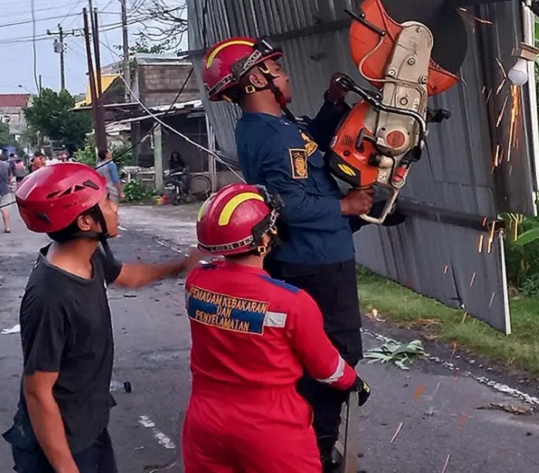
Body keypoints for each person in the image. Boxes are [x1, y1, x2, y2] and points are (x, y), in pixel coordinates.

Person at [202, 37, 374, 470]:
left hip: (321, 252)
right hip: (315, 262)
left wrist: (333, 105)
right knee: (332, 354)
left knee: (317, 354)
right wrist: (345, 206)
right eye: (276, 69)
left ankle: (310, 443)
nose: (285, 74)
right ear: (257, 79)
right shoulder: (267, 135)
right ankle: (315, 452)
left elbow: (309, 146)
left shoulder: (278, 125)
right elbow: (285, 201)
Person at [2, 162, 201, 473]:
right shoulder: (51, 297)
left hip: (89, 424)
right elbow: (38, 393)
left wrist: (178, 266)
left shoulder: (90, 253)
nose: (116, 207)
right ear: (84, 221)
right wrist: (66, 467)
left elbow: (126, 275)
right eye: (107, 201)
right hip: (59, 445)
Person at [183, 183, 370, 473]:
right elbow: (325, 366)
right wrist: (352, 382)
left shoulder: (196, 282)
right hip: (271, 428)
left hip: (204, 422)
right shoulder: (291, 302)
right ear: (260, 240)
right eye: (271, 226)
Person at [0, 150, 14, 234]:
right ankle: (7, 227)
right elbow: (10, 177)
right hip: (5, 189)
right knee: (5, 209)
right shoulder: (6, 165)